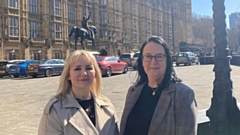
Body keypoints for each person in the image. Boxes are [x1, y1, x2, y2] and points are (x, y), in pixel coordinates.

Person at [120, 36, 197, 135]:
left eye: (159, 56)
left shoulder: (183, 94)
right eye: (148, 56)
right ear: (142, 61)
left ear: (167, 60)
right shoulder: (133, 91)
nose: (153, 62)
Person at [38, 50, 119, 135]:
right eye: (77, 69)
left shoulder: (107, 107)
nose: (84, 73)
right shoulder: (55, 109)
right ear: (68, 75)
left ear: (95, 73)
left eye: (89, 68)